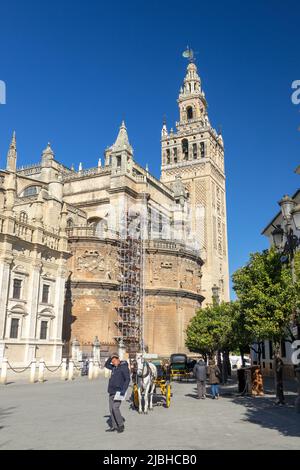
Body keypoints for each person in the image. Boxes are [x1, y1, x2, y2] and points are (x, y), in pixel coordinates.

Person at [104, 352, 130, 433]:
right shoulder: (113, 367)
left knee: (115, 408)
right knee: (111, 409)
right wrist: (110, 357)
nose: (113, 362)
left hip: (119, 392)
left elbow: (127, 379)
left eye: (114, 360)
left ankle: (121, 425)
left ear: (118, 360)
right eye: (112, 361)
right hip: (111, 391)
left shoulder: (123, 367)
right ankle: (114, 426)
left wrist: (124, 390)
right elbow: (106, 365)